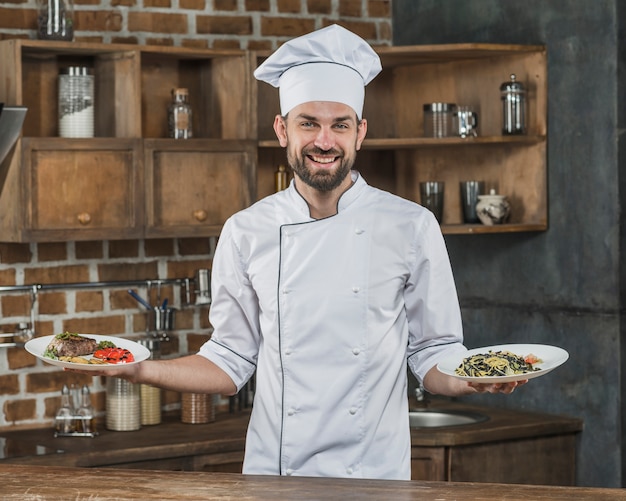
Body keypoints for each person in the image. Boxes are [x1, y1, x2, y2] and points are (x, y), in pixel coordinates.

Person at [72, 24, 524, 480]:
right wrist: (140, 370)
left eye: (339, 125)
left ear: (360, 133)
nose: (324, 141)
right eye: (308, 123)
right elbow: (229, 363)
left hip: (373, 476)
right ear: (281, 129)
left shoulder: (410, 226)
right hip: (275, 475)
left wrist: (470, 379)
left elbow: (433, 353)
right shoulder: (246, 231)